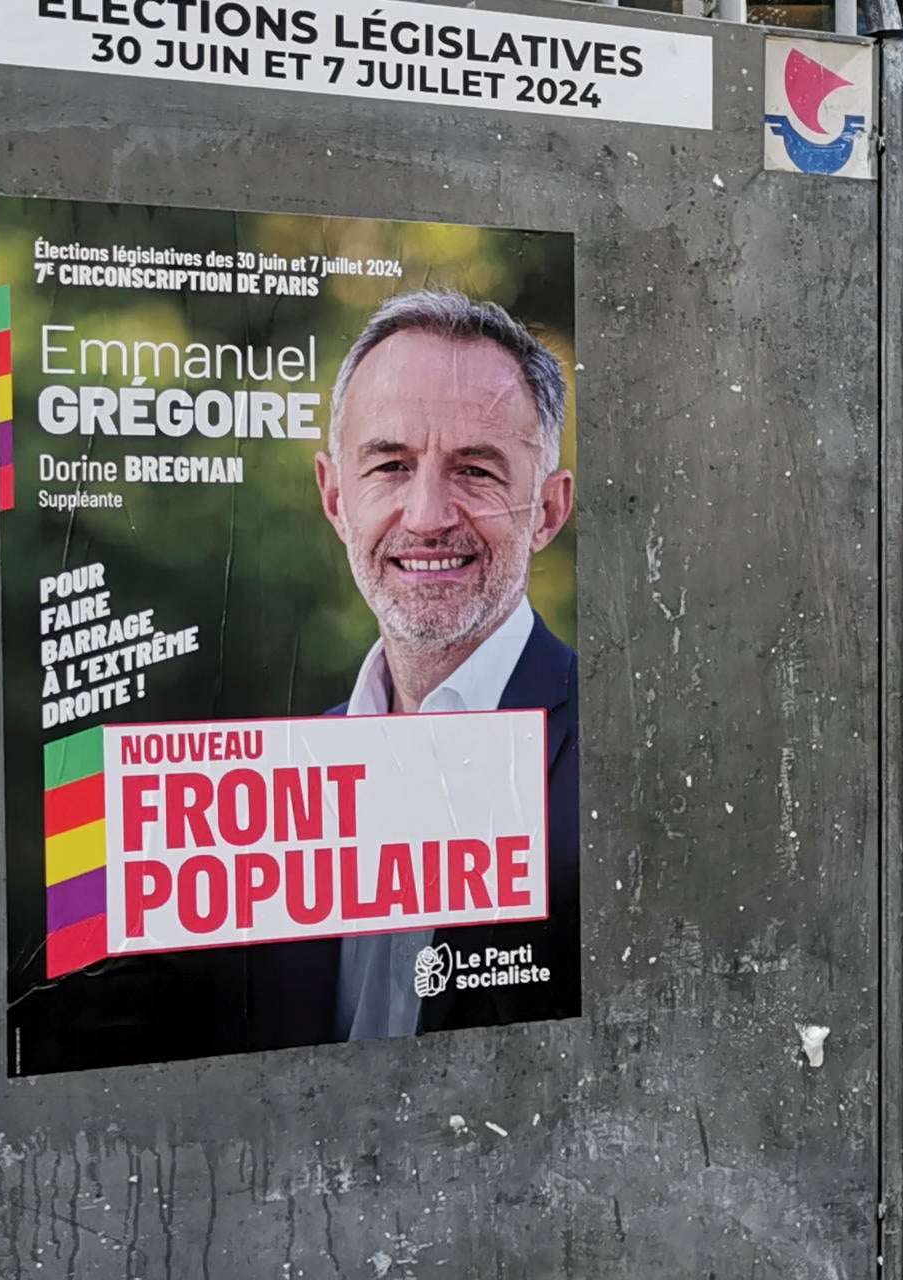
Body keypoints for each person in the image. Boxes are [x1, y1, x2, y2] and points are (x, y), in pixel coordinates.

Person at [249, 291, 580, 1047]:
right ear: (336, 498)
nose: (428, 516)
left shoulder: (628, 764)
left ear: (548, 511)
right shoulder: (273, 794)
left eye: (476, 470)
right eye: (391, 465)